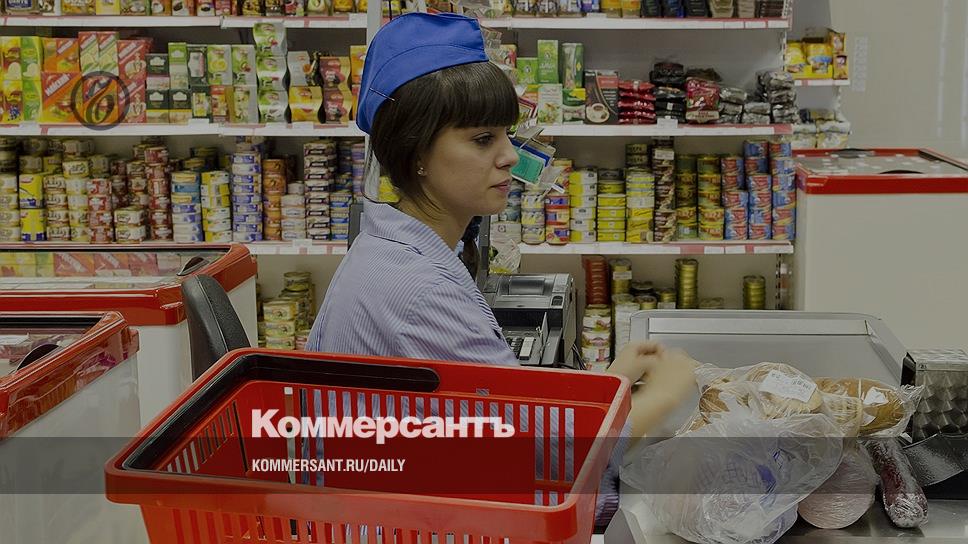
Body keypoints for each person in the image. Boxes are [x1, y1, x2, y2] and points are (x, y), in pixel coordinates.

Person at [307, 10, 695, 528]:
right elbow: (548, 458)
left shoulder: (393, 248)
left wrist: (609, 387)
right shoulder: (417, 291)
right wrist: (663, 396)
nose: (511, 156)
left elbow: (500, 408)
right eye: (482, 139)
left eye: (506, 135)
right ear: (416, 152)